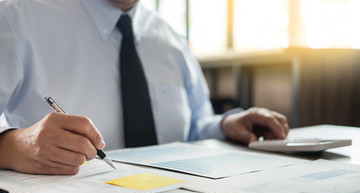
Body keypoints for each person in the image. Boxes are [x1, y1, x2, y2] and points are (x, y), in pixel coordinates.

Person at [0, 0, 289, 175]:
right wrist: (12, 146)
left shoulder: (172, 40)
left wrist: (226, 125)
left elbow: (193, 127)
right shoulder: (16, 18)